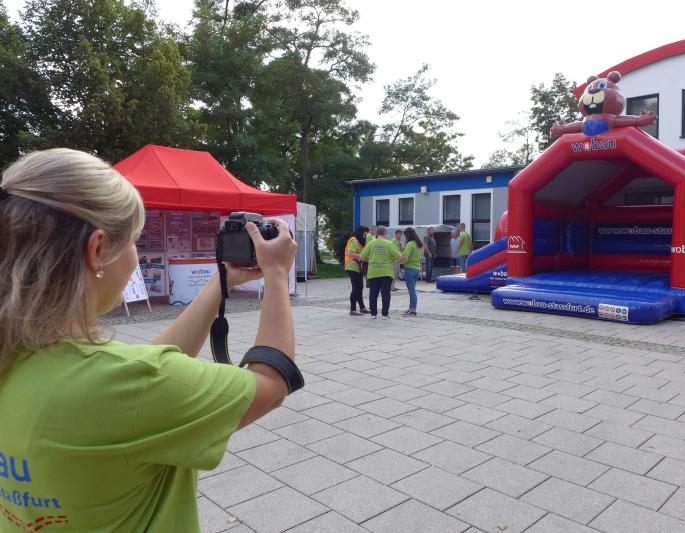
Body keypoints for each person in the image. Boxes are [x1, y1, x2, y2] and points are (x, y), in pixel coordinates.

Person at [0, 149, 299, 532]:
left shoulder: (23, 358)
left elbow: (143, 374)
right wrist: (276, 275)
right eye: (133, 242)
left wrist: (220, 282)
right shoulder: (124, 383)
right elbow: (271, 386)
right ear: (97, 250)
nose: (136, 257)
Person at [359, 225, 400, 319]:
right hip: (386, 272)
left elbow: (362, 256)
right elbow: (398, 256)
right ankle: (385, 314)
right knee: (385, 294)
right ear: (385, 233)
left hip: (373, 272)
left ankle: (373, 314)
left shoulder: (370, 243)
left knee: (373, 294)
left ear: (377, 233)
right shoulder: (389, 243)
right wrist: (392, 257)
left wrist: (370, 258)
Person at [344, 226, 369, 316]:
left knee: (360, 287)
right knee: (356, 288)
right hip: (352, 267)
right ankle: (353, 309)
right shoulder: (353, 240)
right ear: (361, 232)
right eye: (364, 234)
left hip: (357, 268)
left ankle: (362, 307)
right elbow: (350, 253)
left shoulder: (358, 241)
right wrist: (361, 257)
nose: (365, 236)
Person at [400, 227, 423, 316]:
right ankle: (411, 308)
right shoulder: (419, 244)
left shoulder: (410, 244)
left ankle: (413, 309)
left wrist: (400, 261)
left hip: (409, 269)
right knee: (412, 289)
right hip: (417, 268)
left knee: (411, 290)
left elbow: (405, 257)